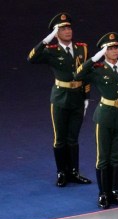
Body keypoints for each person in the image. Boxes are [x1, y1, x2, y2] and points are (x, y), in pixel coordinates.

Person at [27, 12, 92, 188]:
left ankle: (73, 172)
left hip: (77, 97)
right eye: (63, 29)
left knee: (73, 137)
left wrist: (86, 97)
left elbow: (87, 74)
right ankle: (62, 172)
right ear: (56, 33)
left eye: (69, 27)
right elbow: (32, 58)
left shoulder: (81, 49)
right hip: (61, 97)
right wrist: (47, 39)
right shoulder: (51, 51)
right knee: (60, 138)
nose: (68, 31)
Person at [73, 32, 118, 209]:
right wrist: (94, 58)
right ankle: (103, 194)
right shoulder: (98, 69)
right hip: (105, 115)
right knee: (103, 158)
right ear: (104, 51)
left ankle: (115, 192)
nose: (114, 51)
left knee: (116, 157)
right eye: (110, 48)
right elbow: (78, 75)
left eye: (116, 47)